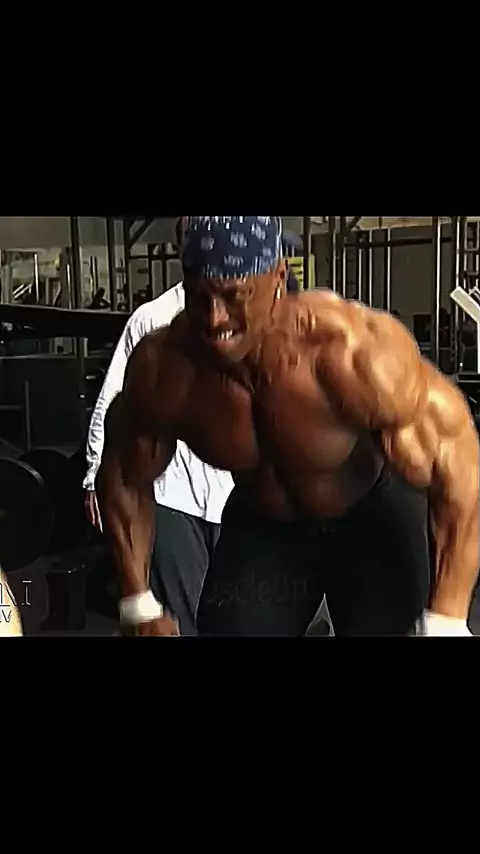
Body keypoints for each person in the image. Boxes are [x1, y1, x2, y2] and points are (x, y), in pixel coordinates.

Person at [96, 216, 479, 637]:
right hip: (266, 527)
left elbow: (456, 462)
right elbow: (122, 474)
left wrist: (447, 617)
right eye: (198, 296)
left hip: (371, 519)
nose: (214, 318)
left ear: (278, 277)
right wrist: (137, 603)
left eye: (234, 295)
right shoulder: (166, 368)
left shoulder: (351, 353)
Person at [84, 271, 234, 636]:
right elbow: (114, 402)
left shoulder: (267, 325)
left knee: (236, 616)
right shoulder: (153, 319)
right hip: (173, 495)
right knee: (181, 617)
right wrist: (93, 472)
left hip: (237, 498)